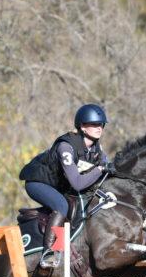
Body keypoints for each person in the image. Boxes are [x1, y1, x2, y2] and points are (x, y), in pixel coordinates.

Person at [19, 104, 110, 268]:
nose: (99, 128)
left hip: (59, 187)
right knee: (61, 205)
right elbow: (77, 183)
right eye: (94, 124)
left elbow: (104, 171)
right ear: (82, 126)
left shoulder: (97, 150)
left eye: (101, 124)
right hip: (38, 182)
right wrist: (99, 170)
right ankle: (50, 252)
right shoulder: (66, 146)